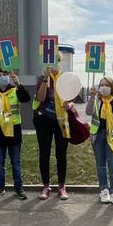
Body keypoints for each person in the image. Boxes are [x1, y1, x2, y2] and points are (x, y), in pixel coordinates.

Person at [86, 76, 113, 208]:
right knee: (101, 165)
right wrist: (92, 97)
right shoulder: (96, 100)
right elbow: (88, 112)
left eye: (107, 85)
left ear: (112, 87)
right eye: (102, 85)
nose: (104, 87)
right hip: (98, 136)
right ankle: (104, 190)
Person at [33, 63, 73, 200]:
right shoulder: (42, 78)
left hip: (61, 120)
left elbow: (72, 100)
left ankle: (62, 186)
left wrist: (70, 105)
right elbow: (40, 98)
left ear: (60, 62)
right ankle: (46, 186)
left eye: (57, 59)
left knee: (61, 153)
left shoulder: (65, 78)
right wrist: (45, 78)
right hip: (44, 120)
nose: (53, 63)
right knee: (44, 153)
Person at [0, 67, 30, 200]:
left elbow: (26, 99)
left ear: (8, 76)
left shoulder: (15, 90)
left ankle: (19, 188)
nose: (2, 77)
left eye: (4, 75)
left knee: (16, 162)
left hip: (14, 132)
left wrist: (18, 83)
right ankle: (0, 188)